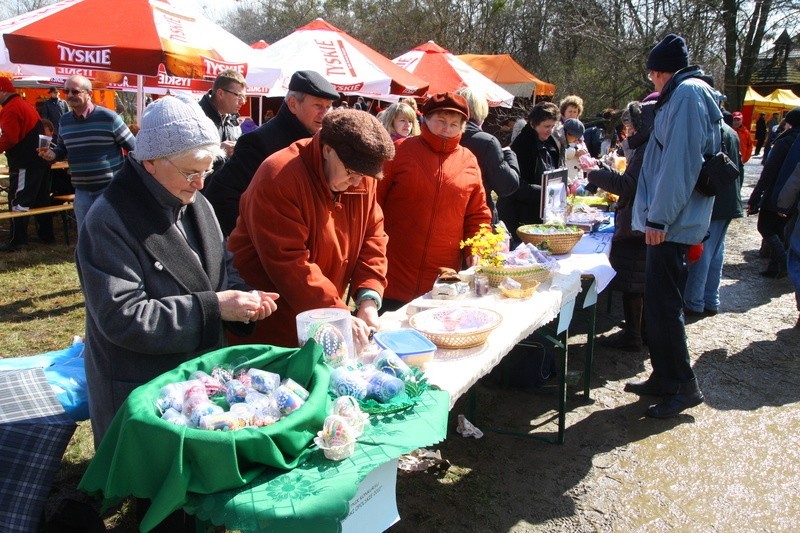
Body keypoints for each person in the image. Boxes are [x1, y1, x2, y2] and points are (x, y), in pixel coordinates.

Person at [75, 94, 279, 448]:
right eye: (190, 171)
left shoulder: (196, 202)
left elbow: (222, 269)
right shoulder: (109, 218)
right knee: (152, 487)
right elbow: (123, 316)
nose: (200, 182)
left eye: (207, 169)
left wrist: (244, 300)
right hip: (143, 382)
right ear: (150, 162)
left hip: (196, 377)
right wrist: (216, 306)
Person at [228, 109, 394, 349]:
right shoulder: (279, 176)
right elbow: (290, 263)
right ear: (328, 150)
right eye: (351, 173)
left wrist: (368, 297)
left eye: (364, 176)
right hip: (270, 320)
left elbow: (373, 236)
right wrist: (337, 312)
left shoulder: (361, 175)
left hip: (319, 315)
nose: (357, 182)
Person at [626, 34, 721, 418]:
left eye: (652, 75)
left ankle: (683, 384)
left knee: (665, 307)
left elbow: (680, 164)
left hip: (672, 224)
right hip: (671, 222)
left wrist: (658, 217)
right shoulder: (684, 93)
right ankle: (664, 376)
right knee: (660, 305)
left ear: (659, 72)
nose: (652, 82)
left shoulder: (685, 95)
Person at [378, 92, 491, 310]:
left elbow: (478, 215)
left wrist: (474, 250)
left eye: (454, 123)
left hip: (442, 280)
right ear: (426, 120)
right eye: (441, 121)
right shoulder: (400, 151)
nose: (447, 128)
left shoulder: (468, 160)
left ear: (462, 127)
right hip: (393, 274)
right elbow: (373, 205)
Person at [203, 70, 339, 235]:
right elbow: (221, 198)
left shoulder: (319, 142)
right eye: (318, 106)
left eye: (328, 107)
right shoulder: (260, 142)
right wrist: (261, 240)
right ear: (293, 104)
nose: (324, 114)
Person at [587, 99, 655, 352]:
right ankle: (641, 332)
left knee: (634, 284)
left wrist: (593, 173)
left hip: (637, 225)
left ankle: (634, 336)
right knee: (639, 282)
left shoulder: (647, 148)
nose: (627, 130)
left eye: (630, 125)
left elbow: (628, 185)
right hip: (640, 222)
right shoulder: (649, 146)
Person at [38, 75, 136, 227]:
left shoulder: (108, 118)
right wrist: (52, 154)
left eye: (75, 92)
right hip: (81, 190)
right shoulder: (65, 120)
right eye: (66, 91)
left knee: (110, 234)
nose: (70, 95)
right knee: (85, 236)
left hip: (109, 189)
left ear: (89, 94)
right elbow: (62, 149)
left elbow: (135, 149)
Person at [684, 111, 744, 318]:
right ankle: (710, 299)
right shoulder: (730, 132)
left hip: (712, 200)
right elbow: (740, 168)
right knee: (716, 253)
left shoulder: (709, 130)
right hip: (728, 200)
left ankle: (695, 301)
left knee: (702, 253)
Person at [0, 76, 54, 251]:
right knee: (41, 199)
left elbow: (9, 138)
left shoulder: (11, 108)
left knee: (18, 200)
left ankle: (18, 240)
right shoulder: (23, 105)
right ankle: (46, 236)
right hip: (38, 161)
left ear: (3, 91)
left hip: (25, 162)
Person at [747, 108, 800, 278]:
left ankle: (783, 262)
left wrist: (755, 197)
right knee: (779, 229)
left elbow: (769, 171)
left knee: (765, 227)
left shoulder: (784, 141)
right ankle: (774, 267)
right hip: (793, 197)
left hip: (777, 194)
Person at [499, 101, 562, 243]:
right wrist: (546, 191)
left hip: (541, 213)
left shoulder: (551, 143)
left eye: (552, 126)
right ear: (533, 124)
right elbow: (515, 186)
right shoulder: (522, 146)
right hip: (521, 217)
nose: (550, 130)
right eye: (546, 126)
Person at [457, 87, 519, 225]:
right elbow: (507, 186)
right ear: (481, 110)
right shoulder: (486, 142)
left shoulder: (445, 137)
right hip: (480, 217)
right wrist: (509, 154)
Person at [198, 69, 247, 157]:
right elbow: (184, 157)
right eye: (239, 96)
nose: (243, 102)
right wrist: (218, 151)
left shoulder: (233, 120)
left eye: (244, 97)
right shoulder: (196, 116)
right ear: (220, 93)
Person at [563, 118, 588, 184]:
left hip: (578, 175)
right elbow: (560, 154)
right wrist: (574, 152)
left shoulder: (578, 142)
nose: (576, 139)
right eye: (575, 137)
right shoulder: (560, 141)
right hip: (568, 176)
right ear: (568, 133)